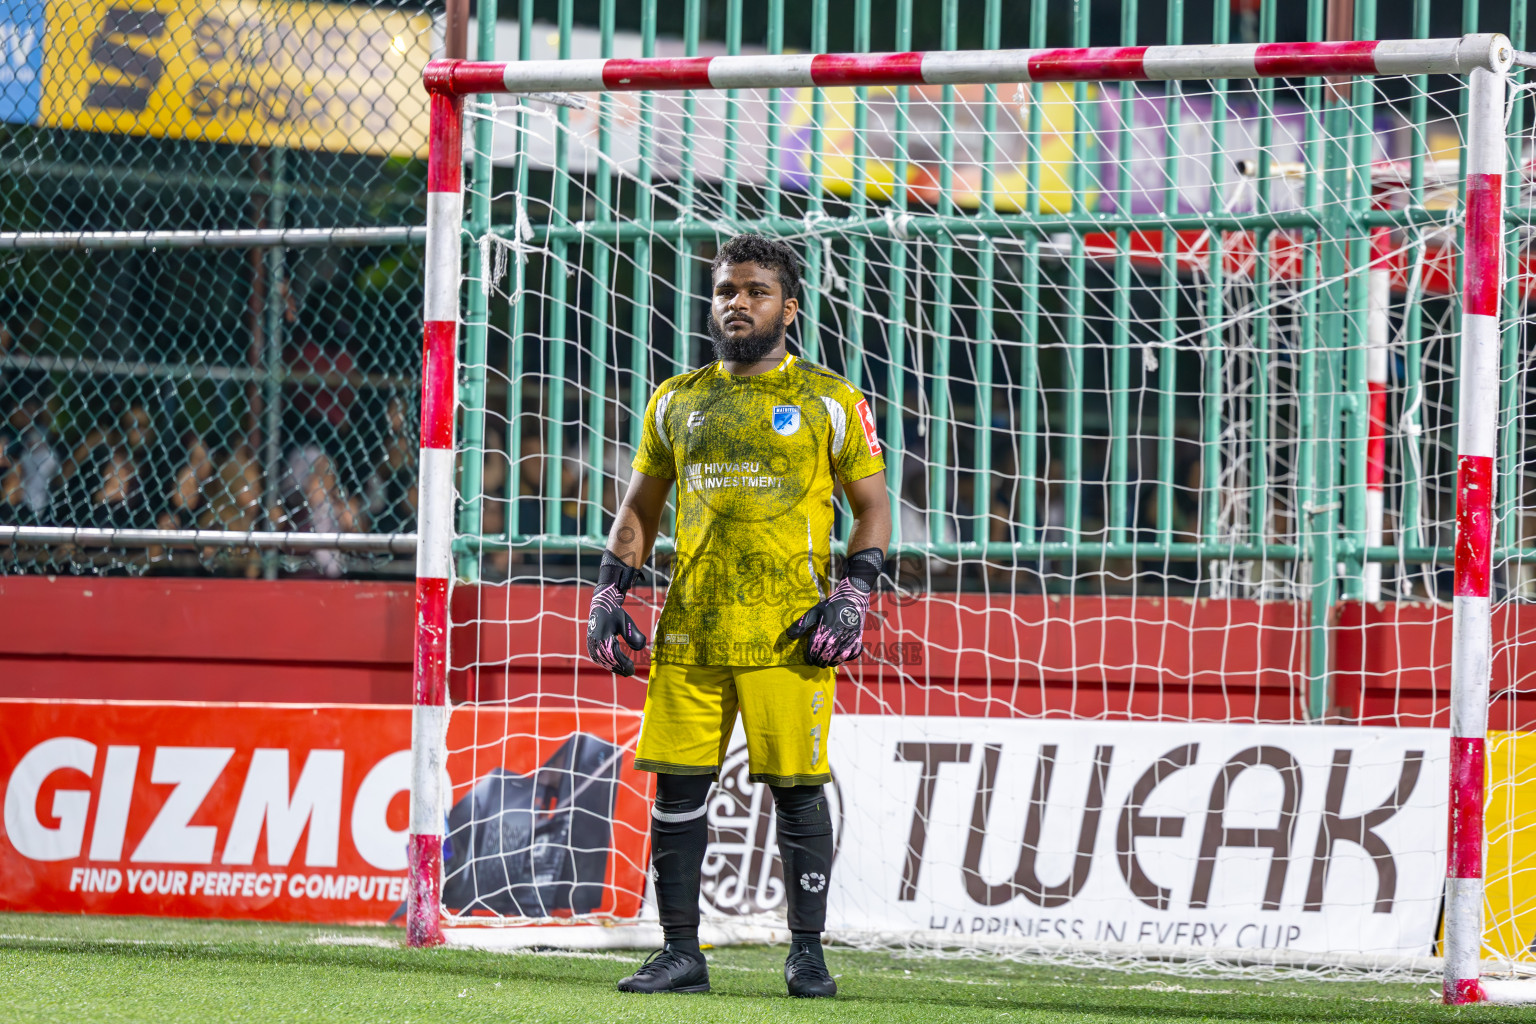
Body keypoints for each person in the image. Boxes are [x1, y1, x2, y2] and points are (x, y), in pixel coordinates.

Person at [585, 234, 891, 999]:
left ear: (788, 305)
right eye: (726, 290)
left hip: (791, 635)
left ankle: (808, 954)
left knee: (796, 790)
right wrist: (608, 592)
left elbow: (873, 508)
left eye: (755, 291)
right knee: (679, 792)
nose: (737, 303)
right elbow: (639, 508)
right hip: (688, 631)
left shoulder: (828, 398)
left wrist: (853, 595)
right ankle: (681, 953)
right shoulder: (676, 398)